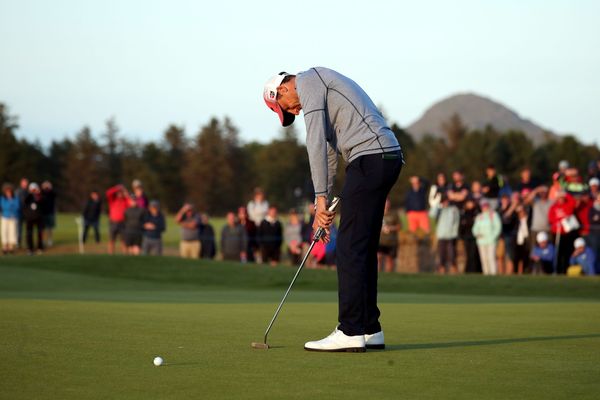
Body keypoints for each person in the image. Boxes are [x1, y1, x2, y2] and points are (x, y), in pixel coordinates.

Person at [263, 67, 403, 352]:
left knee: (350, 247)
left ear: (283, 89)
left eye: (287, 108)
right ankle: (369, 327)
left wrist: (319, 202)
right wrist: (322, 205)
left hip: (369, 158)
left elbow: (313, 143)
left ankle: (350, 330)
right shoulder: (318, 87)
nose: (295, 111)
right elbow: (327, 152)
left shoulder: (308, 82)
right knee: (361, 247)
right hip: (385, 158)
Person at [548, 190, 578, 274]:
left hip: (567, 233)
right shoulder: (553, 207)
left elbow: (573, 201)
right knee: (558, 252)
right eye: (559, 198)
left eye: (562, 198)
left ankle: (565, 270)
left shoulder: (568, 205)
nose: (561, 199)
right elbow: (550, 218)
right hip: (557, 233)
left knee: (567, 252)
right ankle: (557, 270)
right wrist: (555, 223)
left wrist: (565, 194)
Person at [472, 199, 502, 275]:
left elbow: (498, 227)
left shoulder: (493, 215)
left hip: (491, 241)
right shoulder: (479, 217)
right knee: (483, 259)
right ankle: (486, 273)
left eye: (486, 206)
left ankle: (493, 273)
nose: (484, 207)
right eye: (483, 206)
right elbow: (475, 229)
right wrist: (477, 234)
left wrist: (493, 237)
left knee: (491, 257)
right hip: (481, 241)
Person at [432, 195, 460, 274]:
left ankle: (453, 268)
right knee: (442, 253)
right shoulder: (439, 210)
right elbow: (432, 214)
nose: (445, 203)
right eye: (443, 201)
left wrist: (455, 232)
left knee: (452, 253)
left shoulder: (453, 210)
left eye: (446, 201)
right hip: (441, 235)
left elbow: (456, 222)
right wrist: (436, 204)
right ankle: (442, 268)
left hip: (451, 235)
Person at [377, 199, 401, 273]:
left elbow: (399, 226)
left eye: (388, 203)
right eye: (385, 203)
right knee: (378, 257)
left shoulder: (394, 214)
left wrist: (390, 228)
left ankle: (389, 275)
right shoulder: (377, 213)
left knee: (389, 259)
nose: (386, 205)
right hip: (380, 241)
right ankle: (377, 274)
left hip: (391, 242)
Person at [105, 184, 130, 254]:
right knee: (112, 240)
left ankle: (125, 255)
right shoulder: (112, 200)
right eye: (119, 193)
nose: (120, 194)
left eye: (121, 193)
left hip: (122, 223)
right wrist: (117, 188)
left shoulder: (125, 201)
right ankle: (111, 254)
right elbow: (108, 193)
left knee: (124, 241)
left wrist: (125, 191)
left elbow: (130, 201)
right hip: (113, 222)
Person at [459, 198, 481, 273]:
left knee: (474, 254)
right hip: (466, 236)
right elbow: (462, 225)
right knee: (468, 254)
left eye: (471, 203)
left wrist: (468, 222)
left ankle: (474, 270)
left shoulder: (476, 212)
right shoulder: (464, 213)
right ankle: (468, 270)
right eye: (468, 203)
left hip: (474, 236)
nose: (470, 204)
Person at [23, 182, 45, 255]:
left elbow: (42, 202)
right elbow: (25, 201)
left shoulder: (39, 196)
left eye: (34, 189)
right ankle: (30, 248)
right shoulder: (28, 196)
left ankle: (40, 247)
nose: (33, 190)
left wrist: (38, 193)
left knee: (40, 233)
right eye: (32, 189)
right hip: (30, 218)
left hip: (38, 217)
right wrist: (30, 193)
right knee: (29, 233)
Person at [1, 183, 20, 255]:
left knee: (12, 231)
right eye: (7, 191)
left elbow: (17, 207)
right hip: (5, 217)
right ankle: (5, 246)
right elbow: (3, 206)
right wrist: (10, 204)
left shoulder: (15, 198)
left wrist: (11, 205)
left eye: (9, 191)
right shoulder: (3, 198)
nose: (8, 192)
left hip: (13, 217)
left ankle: (11, 246)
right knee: (4, 231)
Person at [40, 181, 57, 247]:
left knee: (50, 228)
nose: (46, 188)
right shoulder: (42, 193)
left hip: (50, 213)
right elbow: (39, 194)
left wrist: (50, 187)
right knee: (43, 228)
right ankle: (43, 240)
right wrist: (42, 187)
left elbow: (55, 194)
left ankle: (50, 240)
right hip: (43, 213)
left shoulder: (51, 194)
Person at [15, 177, 29, 248]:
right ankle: (18, 242)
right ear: (21, 183)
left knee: (27, 228)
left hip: (27, 213)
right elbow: (16, 201)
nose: (25, 184)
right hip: (19, 212)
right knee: (19, 228)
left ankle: (27, 242)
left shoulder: (28, 191)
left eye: (26, 182)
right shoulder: (18, 191)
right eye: (24, 182)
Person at [588, 193, 600, 274]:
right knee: (595, 252)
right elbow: (591, 220)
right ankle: (594, 271)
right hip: (594, 234)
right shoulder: (592, 209)